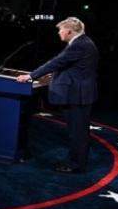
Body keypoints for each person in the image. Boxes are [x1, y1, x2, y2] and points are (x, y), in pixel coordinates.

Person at [16, 17, 99, 173]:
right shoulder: (83, 42)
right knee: (78, 132)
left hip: (77, 95)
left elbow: (57, 62)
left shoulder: (79, 45)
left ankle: (75, 165)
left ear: (69, 31)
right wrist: (53, 75)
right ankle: (76, 162)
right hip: (79, 93)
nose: (59, 33)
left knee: (77, 133)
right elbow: (72, 67)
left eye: (61, 30)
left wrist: (31, 76)